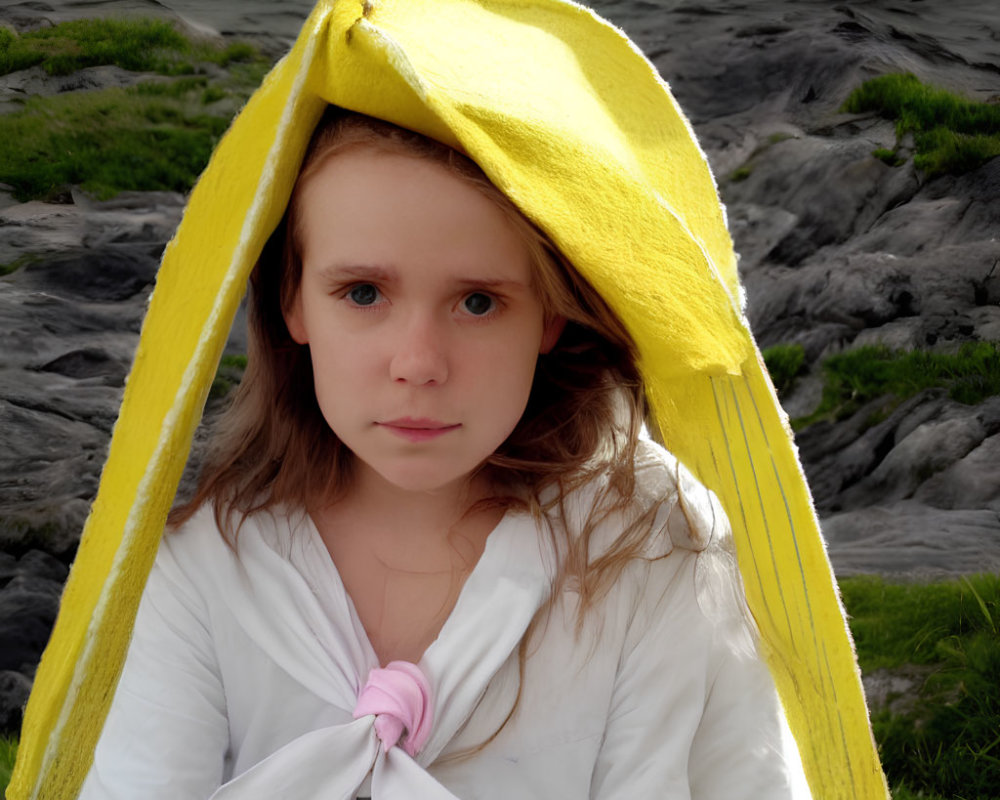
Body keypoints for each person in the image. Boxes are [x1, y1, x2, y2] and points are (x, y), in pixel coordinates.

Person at [10, 1, 887, 798]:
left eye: (478, 301)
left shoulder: (650, 545)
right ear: (291, 303)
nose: (418, 363)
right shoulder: (206, 569)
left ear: (549, 314)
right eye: (363, 293)